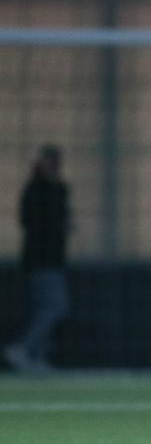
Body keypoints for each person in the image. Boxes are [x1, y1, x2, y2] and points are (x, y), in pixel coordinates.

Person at [4, 145, 71, 373]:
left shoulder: (59, 188)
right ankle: (24, 348)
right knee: (54, 307)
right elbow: (29, 221)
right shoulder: (35, 189)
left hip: (54, 260)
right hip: (40, 260)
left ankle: (36, 356)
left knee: (45, 309)